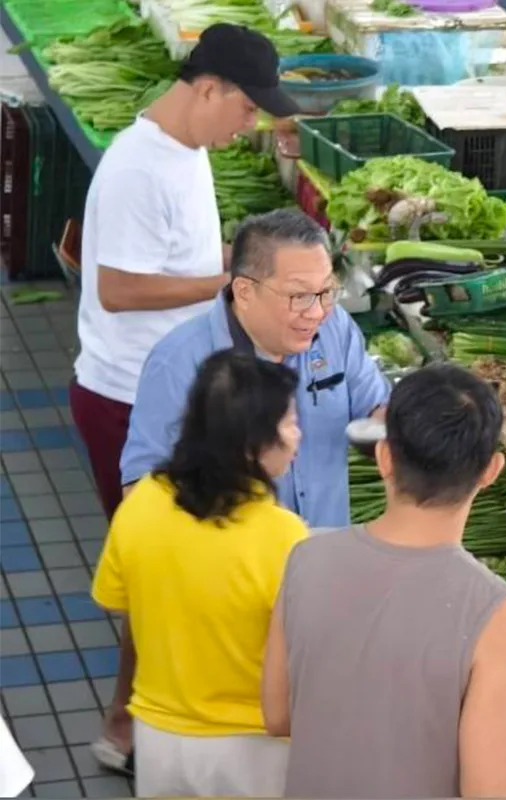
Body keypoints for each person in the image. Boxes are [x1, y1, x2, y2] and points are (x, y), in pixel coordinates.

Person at [261, 364, 506, 799]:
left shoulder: (306, 558)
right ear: (491, 470)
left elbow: (278, 715)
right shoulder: (494, 609)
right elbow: (493, 791)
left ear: (385, 457)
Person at [75, 24, 301, 771]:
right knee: (161, 562)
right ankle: (125, 722)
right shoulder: (140, 168)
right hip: (128, 397)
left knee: (185, 555)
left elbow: (175, 261)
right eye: (247, 108)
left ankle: (154, 714)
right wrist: (229, 282)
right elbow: (117, 289)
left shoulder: (187, 149)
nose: (250, 123)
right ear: (208, 89)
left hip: (175, 384)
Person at [101, 208, 388, 779]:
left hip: (315, 571)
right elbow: (141, 489)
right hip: (220, 603)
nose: (317, 312)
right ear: (245, 291)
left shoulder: (334, 331)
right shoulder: (180, 363)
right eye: (299, 296)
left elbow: (375, 405)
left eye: (326, 292)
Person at [90, 350, 307, 797]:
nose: (297, 435)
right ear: (252, 444)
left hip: (159, 738)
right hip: (252, 748)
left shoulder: (143, 502)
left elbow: (117, 599)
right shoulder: (283, 535)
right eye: (289, 423)